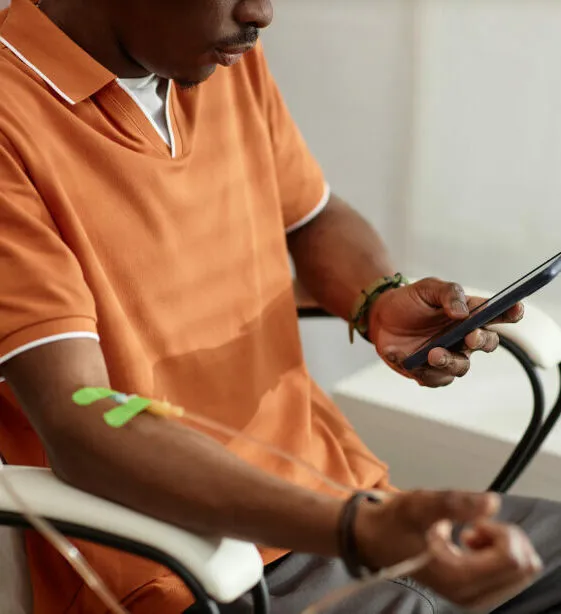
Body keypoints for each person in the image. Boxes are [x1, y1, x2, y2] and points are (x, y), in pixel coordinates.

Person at [0, 0, 559, 613]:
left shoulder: (213, 56)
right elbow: (79, 421)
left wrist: (378, 300)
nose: (261, 12)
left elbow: (312, 217)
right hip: (191, 567)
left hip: (339, 501)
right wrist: (356, 532)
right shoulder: (11, 119)